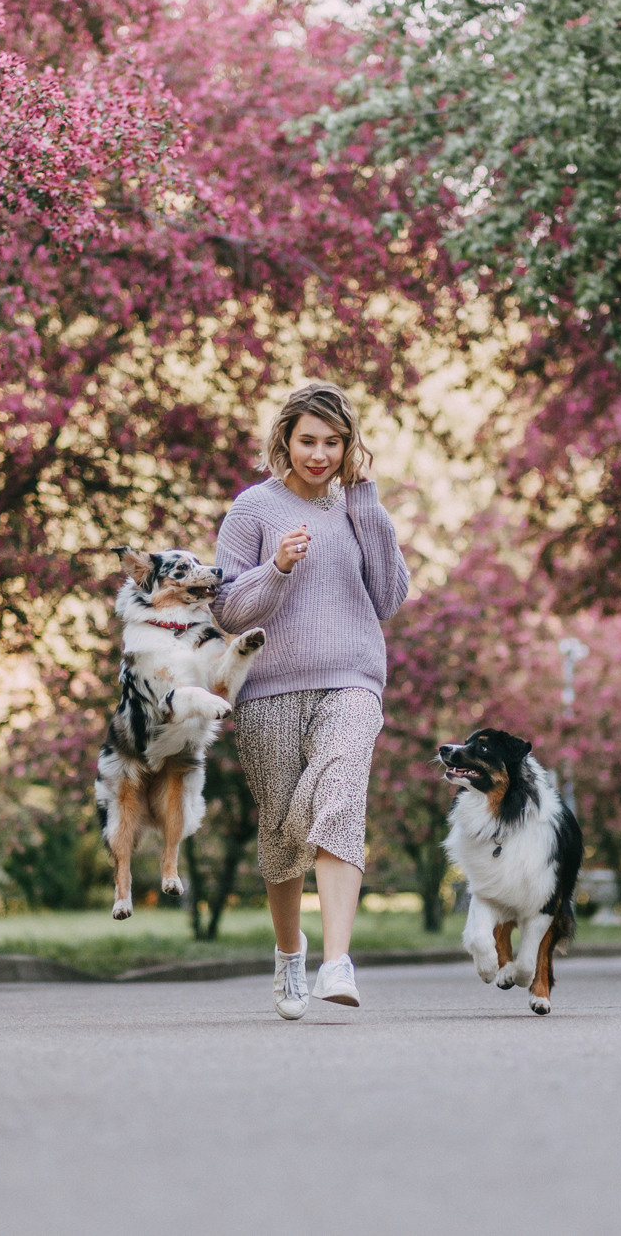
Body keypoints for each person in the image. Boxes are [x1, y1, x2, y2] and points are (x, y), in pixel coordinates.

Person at [212, 381, 410, 1019]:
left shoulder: (358, 507)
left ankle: (337, 961)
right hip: (269, 686)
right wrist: (277, 568)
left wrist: (368, 506)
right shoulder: (253, 510)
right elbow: (226, 613)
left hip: (354, 677)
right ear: (285, 441)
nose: (320, 454)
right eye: (307, 441)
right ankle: (290, 957)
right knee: (280, 829)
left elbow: (389, 598)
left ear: (349, 446)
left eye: (333, 442)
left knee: (341, 795)